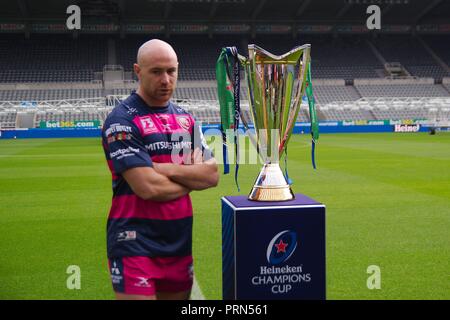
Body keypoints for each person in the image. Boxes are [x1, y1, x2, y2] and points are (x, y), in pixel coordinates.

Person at [101, 39, 219, 300]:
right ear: (137, 71)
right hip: (133, 242)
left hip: (179, 242)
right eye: (156, 71)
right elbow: (148, 187)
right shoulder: (122, 120)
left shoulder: (187, 119)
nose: (165, 79)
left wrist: (158, 167)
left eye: (171, 71)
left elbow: (211, 175)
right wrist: (190, 175)